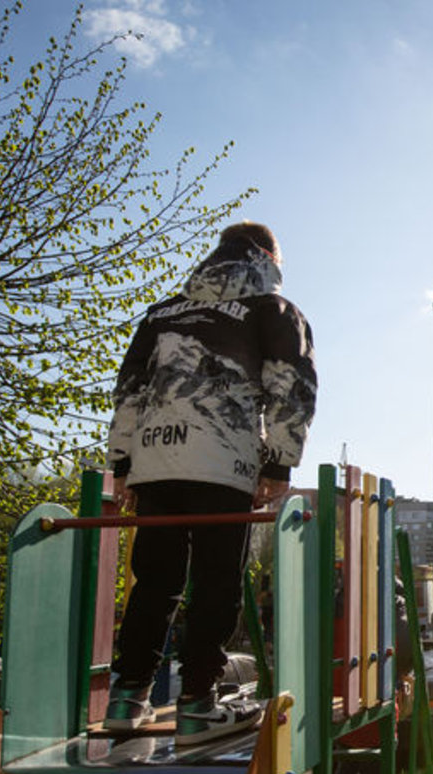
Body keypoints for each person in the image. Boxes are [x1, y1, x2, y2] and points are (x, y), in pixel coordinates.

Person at [105, 222, 317, 745]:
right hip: (223, 464)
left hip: (156, 462)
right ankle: (198, 700)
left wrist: (123, 464)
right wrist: (279, 465)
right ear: (267, 257)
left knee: (154, 580)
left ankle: (127, 695)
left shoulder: (162, 314)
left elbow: (128, 390)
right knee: (217, 580)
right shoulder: (272, 309)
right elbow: (292, 386)